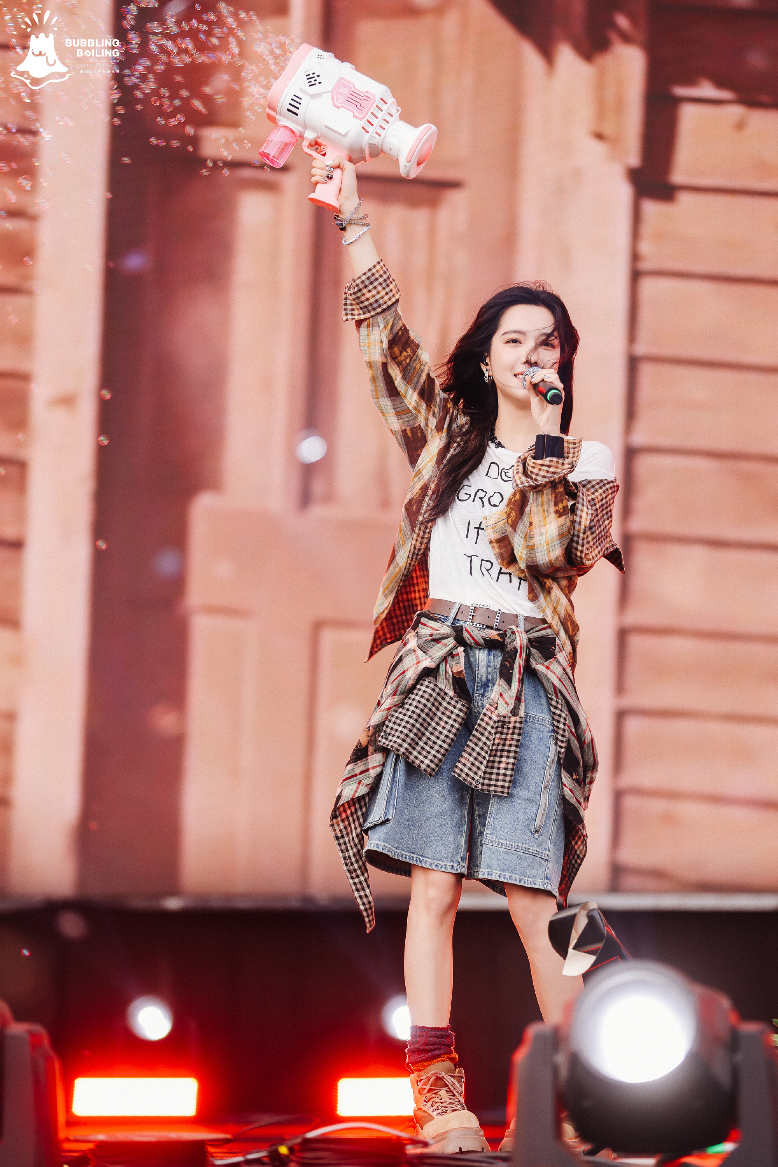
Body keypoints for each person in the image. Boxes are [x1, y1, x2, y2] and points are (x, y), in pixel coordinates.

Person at [312, 156, 624, 1153]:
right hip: (441, 669)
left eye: (549, 342)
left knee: (537, 900)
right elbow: (385, 343)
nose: (534, 353)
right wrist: (354, 220)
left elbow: (555, 555)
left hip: (528, 679)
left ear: (563, 362)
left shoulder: (584, 462)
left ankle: (578, 1095)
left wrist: (547, 441)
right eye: (515, 339)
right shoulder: (445, 439)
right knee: (436, 888)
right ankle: (439, 1096)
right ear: (486, 358)